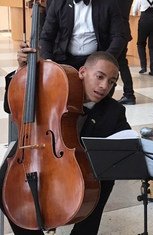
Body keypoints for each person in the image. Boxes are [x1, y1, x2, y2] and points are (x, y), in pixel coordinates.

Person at [0, 44, 131, 235]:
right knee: (4, 181)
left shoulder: (114, 111)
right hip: (36, 149)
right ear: (83, 72)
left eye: (111, 82)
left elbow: (125, 144)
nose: (104, 86)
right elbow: (9, 105)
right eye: (100, 76)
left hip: (76, 166)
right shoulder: (54, 87)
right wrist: (23, 71)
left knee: (104, 179)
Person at [40, 0, 127, 70]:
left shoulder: (109, 2)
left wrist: (105, 59)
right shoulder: (58, 3)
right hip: (64, 60)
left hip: (96, 61)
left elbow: (119, 36)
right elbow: (46, 37)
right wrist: (49, 62)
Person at [132, 0, 153, 76]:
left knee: (141, 44)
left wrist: (136, 13)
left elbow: (134, 11)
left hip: (144, 21)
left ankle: (143, 67)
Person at [116, 0, 137, 105]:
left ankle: (129, 94)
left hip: (117, 31)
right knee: (122, 63)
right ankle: (129, 94)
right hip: (124, 29)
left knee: (117, 62)